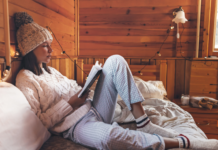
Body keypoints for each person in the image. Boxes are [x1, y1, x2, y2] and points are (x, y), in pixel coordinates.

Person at [15, 12, 218, 150]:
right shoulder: (25, 78)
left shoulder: (52, 71)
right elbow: (38, 123)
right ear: (30, 49)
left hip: (93, 107)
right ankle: (183, 142)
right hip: (75, 126)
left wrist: (86, 88)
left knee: (115, 61)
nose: (51, 50)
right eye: (45, 46)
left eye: (50, 45)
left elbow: (75, 91)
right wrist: (70, 104)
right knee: (109, 137)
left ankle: (143, 121)